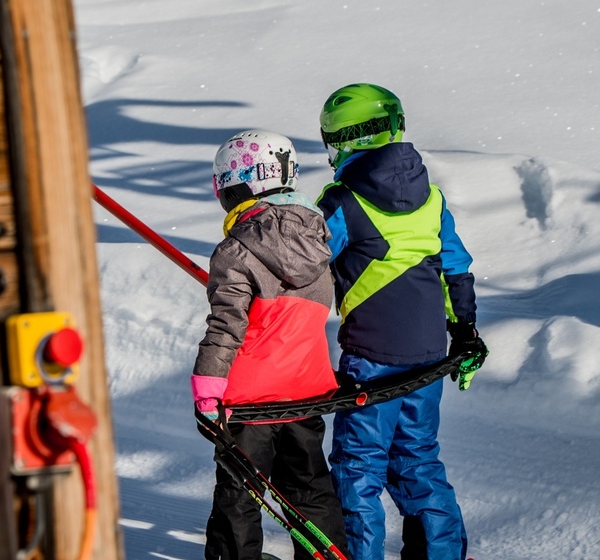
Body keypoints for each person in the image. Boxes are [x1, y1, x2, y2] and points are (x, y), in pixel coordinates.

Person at [314, 83, 489, 559]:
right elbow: (455, 267)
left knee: (359, 467)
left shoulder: (342, 202)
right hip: (429, 354)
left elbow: (306, 266)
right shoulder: (431, 197)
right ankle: (443, 553)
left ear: (344, 141)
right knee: (417, 459)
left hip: (372, 358)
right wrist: (465, 329)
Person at [191, 129, 349, 560]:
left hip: (247, 399)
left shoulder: (235, 250)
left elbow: (226, 326)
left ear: (236, 185)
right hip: (304, 390)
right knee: (310, 484)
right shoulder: (316, 239)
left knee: (241, 490)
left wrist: (207, 389)